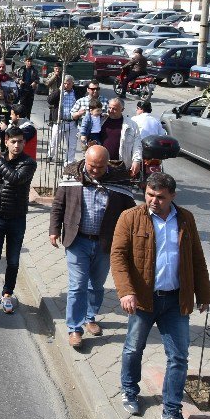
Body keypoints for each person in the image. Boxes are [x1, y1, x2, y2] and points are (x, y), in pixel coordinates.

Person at [111, 173, 210, 419]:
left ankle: (172, 408)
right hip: (143, 299)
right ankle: (130, 391)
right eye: (149, 194)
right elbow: (118, 257)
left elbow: (197, 259)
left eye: (160, 196)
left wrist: (204, 294)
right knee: (134, 349)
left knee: (178, 356)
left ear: (172, 196)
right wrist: (126, 292)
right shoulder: (130, 218)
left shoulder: (185, 219)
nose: (153, 200)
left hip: (176, 301)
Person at [49, 144, 136, 349]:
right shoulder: (72, 175)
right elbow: (58, 204)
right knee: (78, 285)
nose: (95, 171)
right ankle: (75, 328)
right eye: (91, 166)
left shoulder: (118, 181)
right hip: (77, 240)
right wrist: (54, 229)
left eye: (99, 167)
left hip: (106, 242)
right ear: (85, 161)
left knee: (96, 285)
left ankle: (90, 317)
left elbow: (130, 213)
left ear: (107, 164)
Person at [0, 126, 37, 314]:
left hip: (16, 218)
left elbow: (14, 179)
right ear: (6, 141)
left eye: (20, 141)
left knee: (13, 260)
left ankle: (7, 293)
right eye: (13, 141)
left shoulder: (29, 163)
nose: (17, 145)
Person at [100, 98, 143, 178]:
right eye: (109, 108)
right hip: (101, 164)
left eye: (115, 109)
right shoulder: (100, 120)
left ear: (122, 109)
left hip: (121, 166)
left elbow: (137, 145)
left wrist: (136, 161)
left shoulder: (131, 125)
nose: (111, 110)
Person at [48, 75, 79, 165]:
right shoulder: (59, 92)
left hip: (72, 123)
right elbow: (50, 100)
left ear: (72, 84)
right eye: (65, 83)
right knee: (54, 141)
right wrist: (59, 90)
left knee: (72, 145)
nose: (66, 85)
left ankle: (69, 162)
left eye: (68, 83)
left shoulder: (76, 92)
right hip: (59, 122)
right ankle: (50, 155)